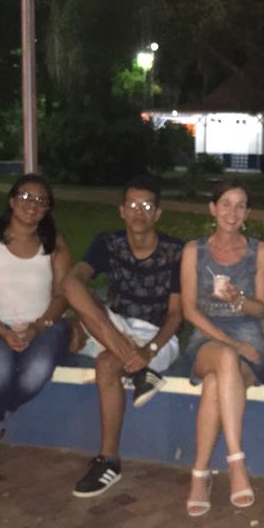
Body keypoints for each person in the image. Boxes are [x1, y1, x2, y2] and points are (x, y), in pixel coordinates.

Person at [65, 175, 184, 497]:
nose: (138, 212)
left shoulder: (176, 251)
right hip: (115, 327)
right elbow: (74, 280)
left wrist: (149, 350)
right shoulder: (108, 243)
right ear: (121, 210)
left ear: (157, 213)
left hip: (157, 336)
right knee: (71, 287)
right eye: (132, 204)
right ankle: (132, 363)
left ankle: (109, 461)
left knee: (107, 364)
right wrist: (123, 344)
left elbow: (176, 315)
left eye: (146, 206)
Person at [0, 175, 72, 464]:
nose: (32, 204)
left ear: (48, 208)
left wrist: (38, 327)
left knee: (37, 370)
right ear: (11, 201)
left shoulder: (55, 243)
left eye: (41, 200)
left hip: (44, 325)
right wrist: (3, 331)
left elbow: (62, 296)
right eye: (25, 197)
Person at [180, 179, 264, 516]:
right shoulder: (194, 251)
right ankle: (236, 462)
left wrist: (239, 299)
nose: (232, 212)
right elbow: (189, 310)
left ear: (247, 213)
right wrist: (232, 343)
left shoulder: (260, 252)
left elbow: (261, 309)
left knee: (215, 384)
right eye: (226, 204)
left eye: (240, 205)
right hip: (206, 336)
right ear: (213, 208)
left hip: (249, 333)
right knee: (227, 357)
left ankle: (200, 474)